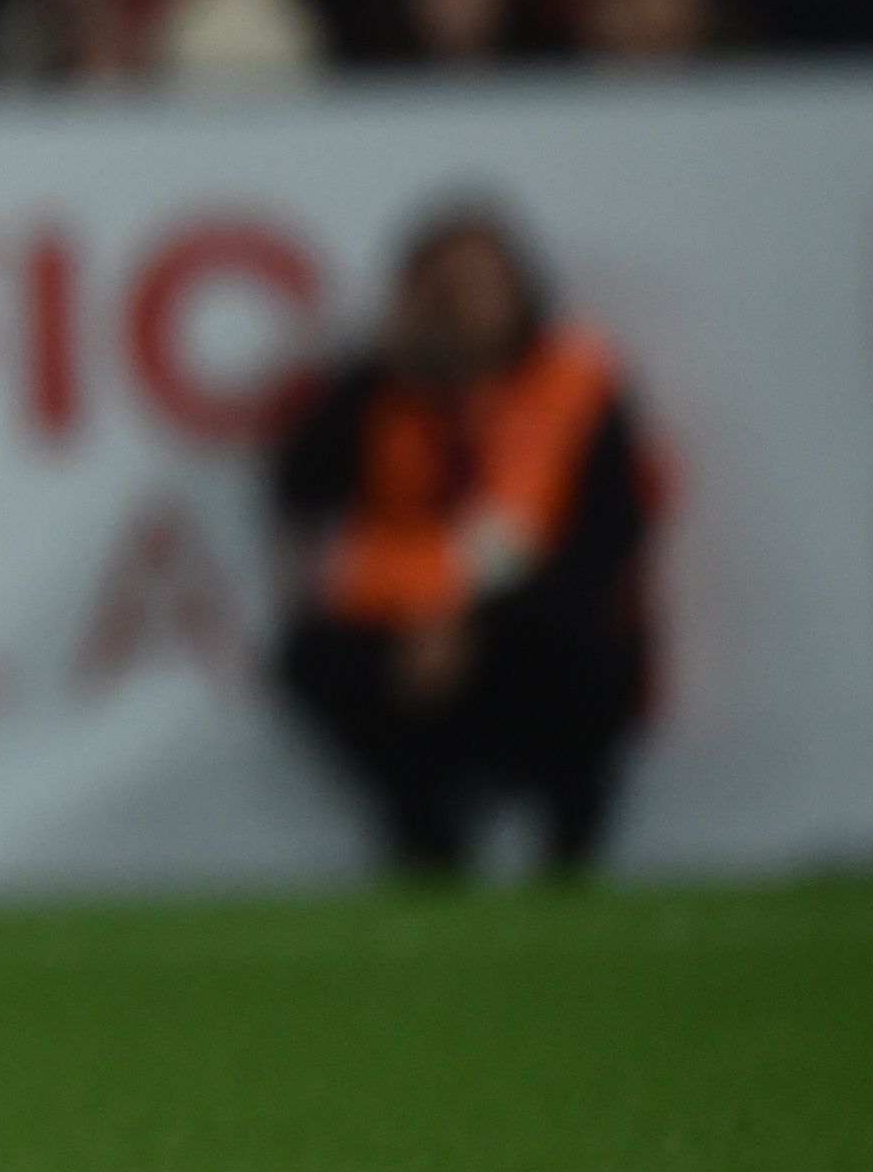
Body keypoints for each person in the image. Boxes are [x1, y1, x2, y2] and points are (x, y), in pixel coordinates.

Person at [266, 206, 659, 879]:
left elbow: (610, 529)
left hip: (533, 620)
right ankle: (427, 843)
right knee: (317, 657)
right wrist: (380, 365)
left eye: (483, 288)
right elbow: (300, 490)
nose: (467, 308)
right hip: (407, 628)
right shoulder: (380, 390)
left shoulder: (572, 380)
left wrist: (474, 615)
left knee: (589, 645)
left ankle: (572, 848)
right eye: (446, 290)